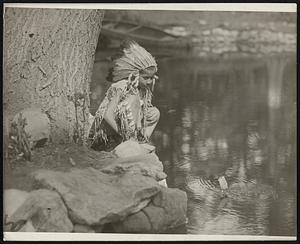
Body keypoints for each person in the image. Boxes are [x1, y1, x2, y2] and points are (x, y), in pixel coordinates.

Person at [88, 40, 160, 151]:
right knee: (132, 100)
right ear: (135, 74)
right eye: (146, 78)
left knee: (154, 113)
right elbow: (107, 115)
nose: (149, 82)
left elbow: (143, 113)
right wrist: (123, 135)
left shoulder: (141, 89)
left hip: (125, 132)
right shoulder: (121, 86)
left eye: (152, 78)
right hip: (106, 134)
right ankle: (127, 142)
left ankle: (141, 140)